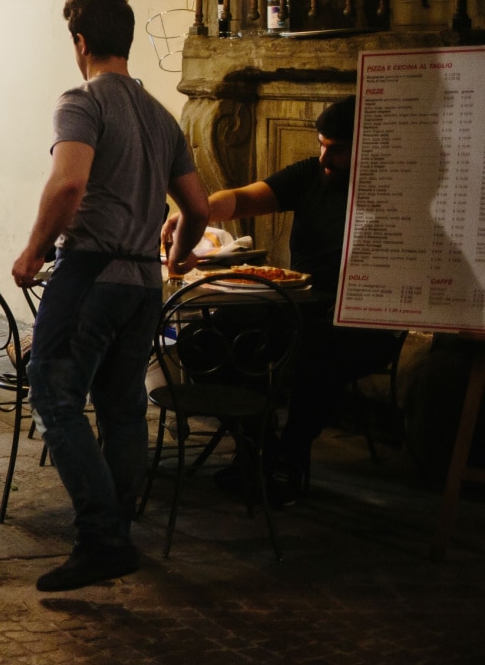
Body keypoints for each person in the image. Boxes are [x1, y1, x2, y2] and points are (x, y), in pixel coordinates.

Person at [12, 0, 209, 593]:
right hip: (142, 282)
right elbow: (197, 207)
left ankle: (101, 537)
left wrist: (33, 251)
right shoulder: (160, 114)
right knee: (124, 408)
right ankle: (118, 526)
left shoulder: (82, 99)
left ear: (81, 41)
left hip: (91, 273)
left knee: (54, 394)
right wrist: (174, 257)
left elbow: (68, 185)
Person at [162, 95, 400, 501]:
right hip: (294, 304)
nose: (325, 157)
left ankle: (291, 456)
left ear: (366, 146)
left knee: (316, 355)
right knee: (203, 340)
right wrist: (196, 212)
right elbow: (244, 198)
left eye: (337, 149)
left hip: (359, 317)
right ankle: (257, 445)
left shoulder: (390, 191)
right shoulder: (313, 175)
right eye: (321, 145)